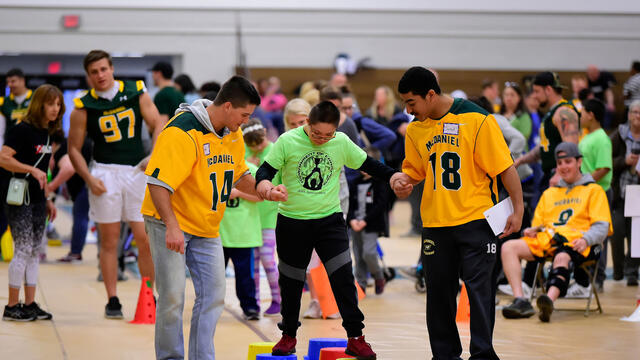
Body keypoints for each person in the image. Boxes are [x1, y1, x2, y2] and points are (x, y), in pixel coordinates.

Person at [390, 66, 523, 359]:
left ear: (431, 94)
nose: (408, 110)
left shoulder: (477, 119)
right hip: (436, 224)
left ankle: (483, 354)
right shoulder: (416, 129)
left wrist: (518, 207)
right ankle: (445, 354)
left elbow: (505, 168)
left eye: (411, 102)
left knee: (479, 293)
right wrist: (403, 181)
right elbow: (415, 170)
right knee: (438, 296)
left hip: (476, 221)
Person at [141, 75, 271, 360]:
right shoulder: (181, 132)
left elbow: (240, 173)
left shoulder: (232, 132)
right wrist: (172, 227)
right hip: (168, 221)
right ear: (227, 106)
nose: (246, 121)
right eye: (244, 114)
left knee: (213, 295)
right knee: (173, 298)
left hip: (206, 225)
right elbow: (157, 183)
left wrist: (265, 189)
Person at [256, 101, 398, 359]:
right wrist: (267, 188)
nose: (321, 139)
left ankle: (356, 337)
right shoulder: (288, 141)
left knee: (343, 279)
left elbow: (368, 163)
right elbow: (265, 171)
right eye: (316, 134)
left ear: (336, 130)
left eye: (327, 135)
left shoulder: (341, 142)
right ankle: (288, 335)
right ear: (308, 124)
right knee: (291, 282)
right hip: (292, 222)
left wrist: (393, 176)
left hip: (329, 221)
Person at [68, 49, 163, 319]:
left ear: (111, 69)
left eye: (103, 69)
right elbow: (73, 149)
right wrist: (88, 178)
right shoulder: (83, 105)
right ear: (88, 76)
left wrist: (153, 156)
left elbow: (158, 124)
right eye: (94, 72)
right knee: (109, 242)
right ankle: (112, 299)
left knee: (144, 239)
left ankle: (148, 293)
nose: (100, 75)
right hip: (105, 173)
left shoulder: (136, 91)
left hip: (136, 171)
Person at [501, 142, 612, 322]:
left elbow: (602, 227)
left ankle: (548, 302)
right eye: (559, 163)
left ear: (579, 162)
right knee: (508, 247)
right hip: (549, 240)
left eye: (568, 162)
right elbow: (540, 226)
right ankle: (521, 300)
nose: (563, 167)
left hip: (579, 243)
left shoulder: (594, 190)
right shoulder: (550, 193)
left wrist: (586, 239)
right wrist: (532, 230)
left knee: (562, 257)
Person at [0, 84, 63, 321]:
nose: (55, 109)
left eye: (58, 104)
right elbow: (3, 158)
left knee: (35, 252)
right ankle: (11, 306)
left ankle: (29, 303)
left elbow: (44, 169)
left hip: (37, 199)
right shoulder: (22, 130)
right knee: (23, 249)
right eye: (50, 104)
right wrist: (30, 170)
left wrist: (47, 199)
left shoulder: (48, 132)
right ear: (39, 104)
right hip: (19, 197)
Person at [242, 119, 281, 317]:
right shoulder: (246, 152)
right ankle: (254, 301)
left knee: (267, 258)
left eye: (260, 143)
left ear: (265, 134)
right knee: (253, 262)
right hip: (250, 217)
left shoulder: (274, 151)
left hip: (269, 216)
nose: (257, 147)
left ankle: (278, 298)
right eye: (252, 145)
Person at [577, 99, 612, 292]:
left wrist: (586, 182)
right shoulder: (587, 136)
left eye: (583, 113)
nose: (580, 117)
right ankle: (585, 279)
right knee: (586, 233)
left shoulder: (601, 138)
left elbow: (604, 167)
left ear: (591, 115)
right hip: (587, 193)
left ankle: (597, 279)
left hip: (601, 192)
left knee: (600, 236)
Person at [220, 162, 263, 320]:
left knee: (245, 276)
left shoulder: (250, 169)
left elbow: (261, 196)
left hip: (243, 234)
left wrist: (239, 193)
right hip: (219, 233)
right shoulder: (214, 165)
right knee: (214, 278)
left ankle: (250, 307)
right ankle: (210, 307)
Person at [347, 146, 390, 295]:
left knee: (369, 253)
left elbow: (380, 205)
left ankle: (378, 276)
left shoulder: (380, 183)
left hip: (370, 225)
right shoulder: (355, 183)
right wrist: (352, 219)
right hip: (355, 225)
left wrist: (365, 220)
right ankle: (361, 284)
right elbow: (349, 204)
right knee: (358, 256)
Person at [610, 100, 640, 286]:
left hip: (638, 192)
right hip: (620, 191)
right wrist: (624, 161)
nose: (638, 116)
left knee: (636, 235)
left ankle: (632, 272)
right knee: (618, 231)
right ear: (629, 115)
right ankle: (618, 270)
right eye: (635, 112)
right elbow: (608, 161)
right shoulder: (618, 136)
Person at [0, 68, 33, 140]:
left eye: (13, 81)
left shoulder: (36, 98)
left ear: (22, 81)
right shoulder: (3, 102)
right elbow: (1, 131)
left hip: (32, 143)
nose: (9, 85)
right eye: (7, 82)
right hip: (11, 145)